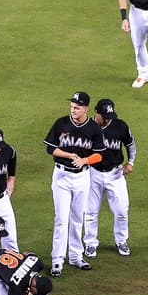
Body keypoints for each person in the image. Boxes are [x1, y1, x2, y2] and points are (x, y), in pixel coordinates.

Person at [44, 92, 106, 276]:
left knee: (78, 218)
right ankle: (57, 259)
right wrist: (69, 155)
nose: (73, 110)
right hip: (61, 176)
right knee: (61, 219)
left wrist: (85, 160)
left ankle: (75, 256)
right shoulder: (61, 123)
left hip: (82, 177)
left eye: (77, 108)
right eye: (72, 107)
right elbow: (50, 148)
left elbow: (100, 154)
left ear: (86, 109)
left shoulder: (94, 128)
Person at [83, 99, 136, 258]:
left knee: (121, 211)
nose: (107, 119)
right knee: (90, 211)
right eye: (104, 116)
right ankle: (90, 243)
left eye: (109, 116)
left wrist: (131, 162)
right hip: (93, 173)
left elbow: (130, 144)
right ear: (96, 112)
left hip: (116, 174)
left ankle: (121, 241)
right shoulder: (87, 127)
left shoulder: (120, 126)